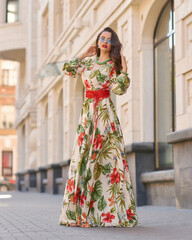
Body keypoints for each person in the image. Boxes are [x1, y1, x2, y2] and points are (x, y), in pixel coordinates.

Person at [58, 27, 139, 227]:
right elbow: (67, 68)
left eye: (109, 39)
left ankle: (108, 213)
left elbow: (119, 90)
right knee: (84, 161)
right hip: (87, 117)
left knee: (108, 161)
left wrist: (125, 71)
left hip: (105, 116)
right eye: (102, 38)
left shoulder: (113, 65)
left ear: (113, 44)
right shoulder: (86, 63)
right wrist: (84, 54)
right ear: (97, 40)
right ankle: (81, 212)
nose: (104, 42)